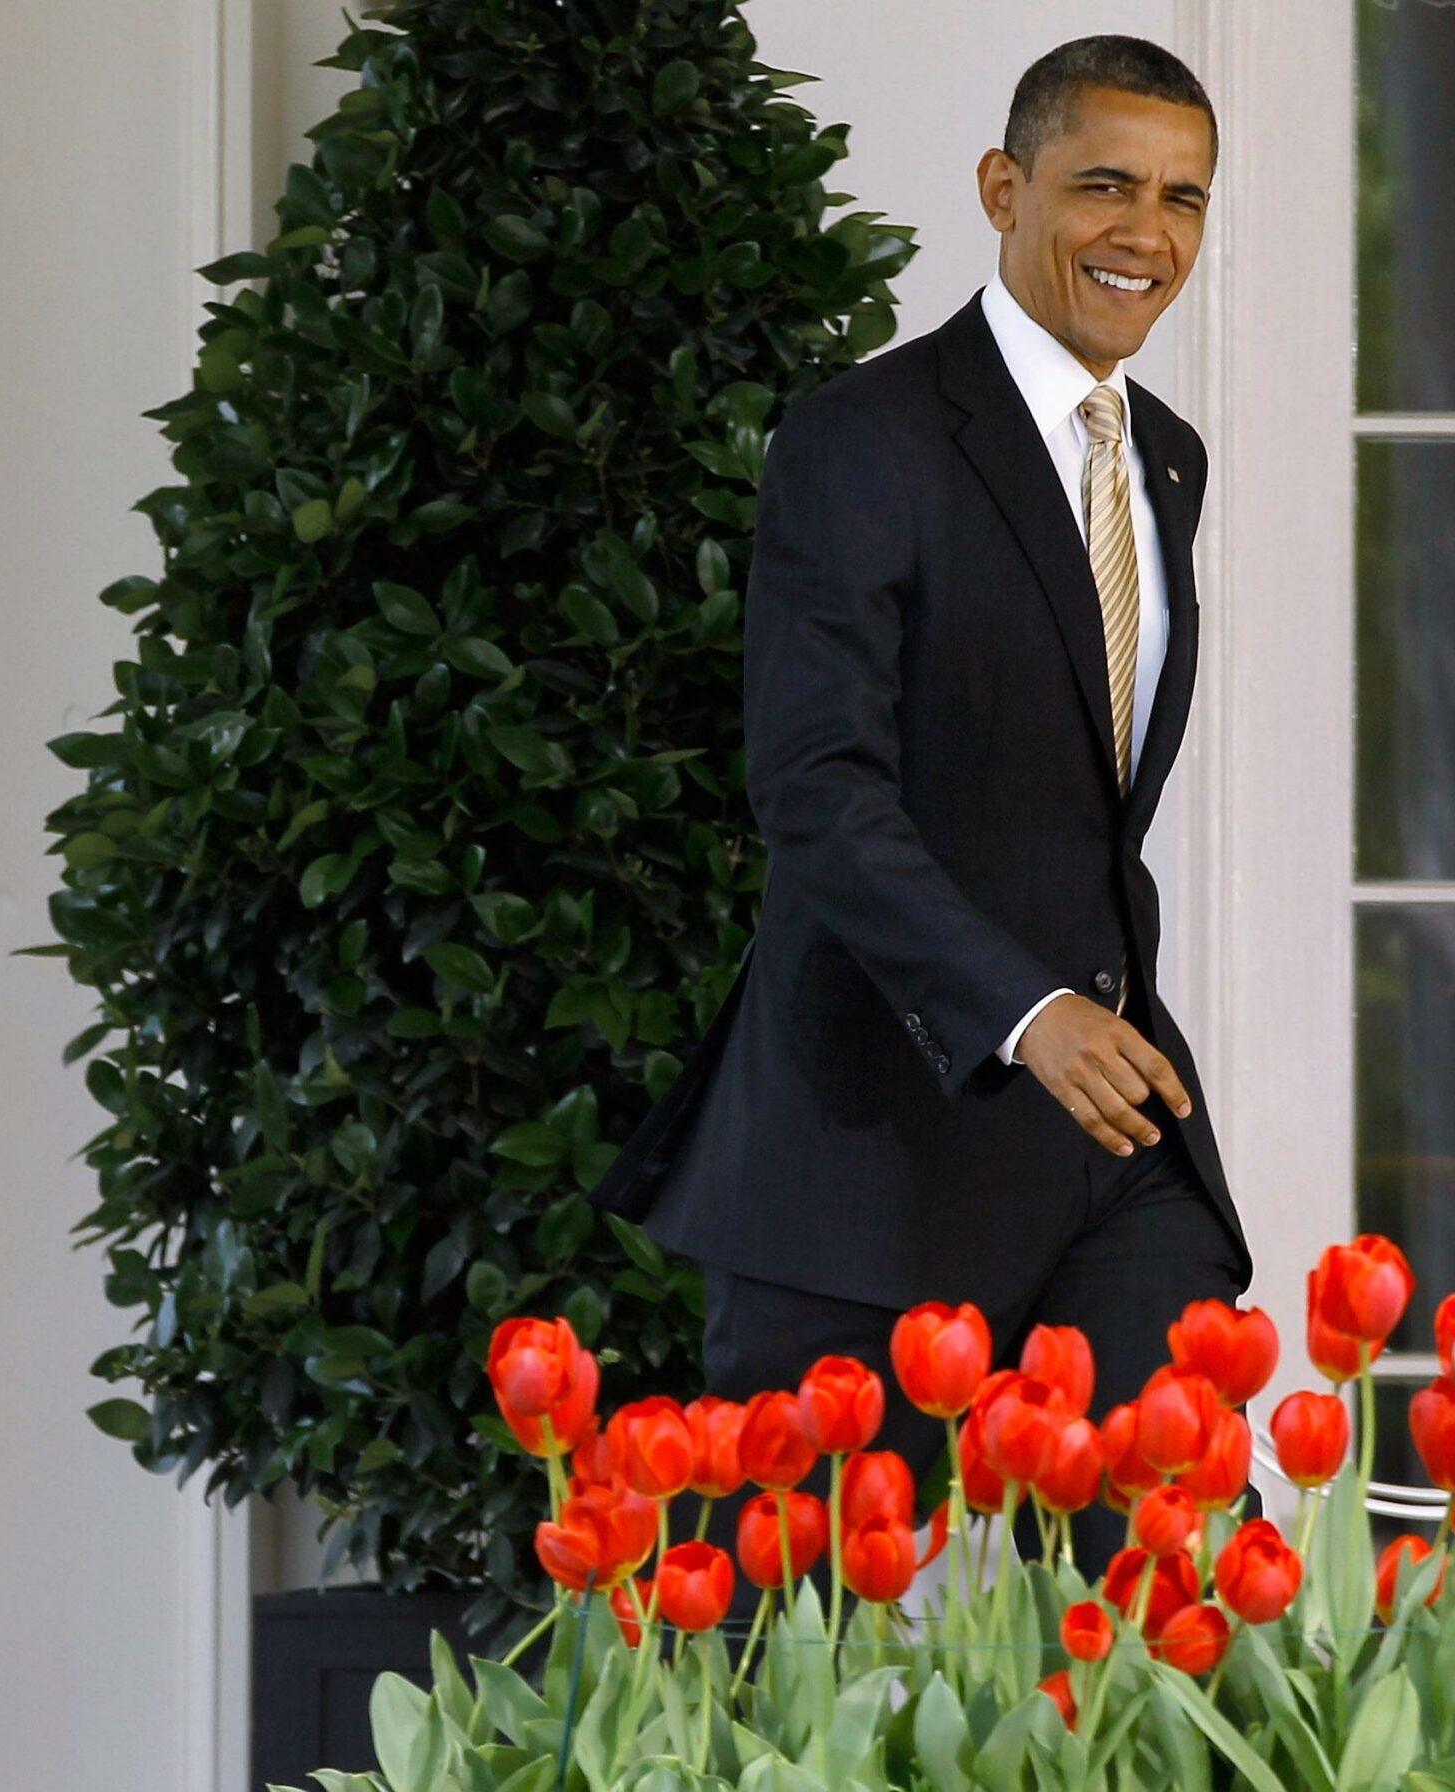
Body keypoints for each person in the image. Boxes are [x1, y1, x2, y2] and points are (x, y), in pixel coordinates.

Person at [588, 36, 1249, 1569]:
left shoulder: (1167, 461)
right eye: (1104, 186)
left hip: (1108, 1139)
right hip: (873, 1145)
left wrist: (1079, 1021)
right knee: (770, 1638)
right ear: (1003, 190)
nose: (1146, 234)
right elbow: (817, 791)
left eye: (1182, 199)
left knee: (1184, 1599)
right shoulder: (861, 441)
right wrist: (1022, 1010)